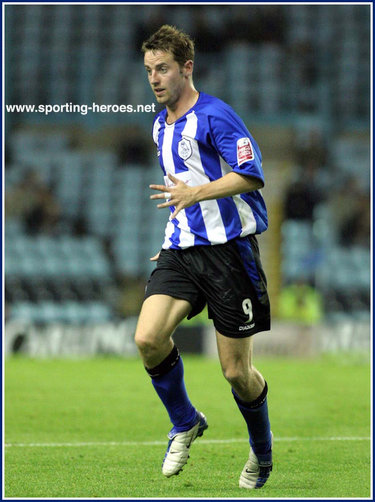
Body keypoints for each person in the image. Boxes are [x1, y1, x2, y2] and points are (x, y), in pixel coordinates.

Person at [135, 25, 273, 490]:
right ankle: (185, 420)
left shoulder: (216, 115)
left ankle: (262, 450)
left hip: (231, 254)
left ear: (186, 68)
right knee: (148, 338)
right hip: (182, 251)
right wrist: (176, 230)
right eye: (150, 70)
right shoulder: (159, 125)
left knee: (236, 371)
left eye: (164, 69)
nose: (155, 79)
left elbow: (251, 175)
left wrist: (198, 194)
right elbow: (179, 193)